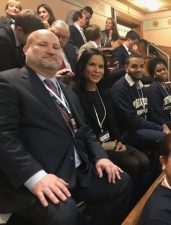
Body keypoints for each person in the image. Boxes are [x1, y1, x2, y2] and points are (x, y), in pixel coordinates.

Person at [0, 29, 131, 225]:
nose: (52, 50)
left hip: (78, 170)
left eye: (56, 47)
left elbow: (84, 130)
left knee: (122, 182)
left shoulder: (66, 90)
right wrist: (36, 177)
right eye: (43, 45)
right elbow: (4, 136)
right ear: (26, 48)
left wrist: (102, 158)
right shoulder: (9, 81)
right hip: (44, 174)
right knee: (65, 216)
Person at [74, 48, 149, 183]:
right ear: (82, 66)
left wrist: (119, 141)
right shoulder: (74, 95)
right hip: (95, 149)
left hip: (112, 142)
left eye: (101, 66)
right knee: (134, 164)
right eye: (92, 65)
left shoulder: (104, 92)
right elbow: (80, 132)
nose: (97, 70)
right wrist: (102, 146)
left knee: (144, 160)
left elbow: (113, 121)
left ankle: (140, 201)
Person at [111, 53, 166, 151]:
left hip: (142, 126)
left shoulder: (140, 85)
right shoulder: (119, 88)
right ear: (126, 67)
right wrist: (159, 128)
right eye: (134, 66)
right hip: (128, 131)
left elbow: (150, 111)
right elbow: (132, 120)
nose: (139, 69)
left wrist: (162, 125)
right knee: (165, 138)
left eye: (141, 66)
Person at [146, 57, 171, 131]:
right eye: (158, 71)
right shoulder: (153, 88)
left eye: (164, 69)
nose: (162, 72)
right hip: (162, 121)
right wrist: (164, 124)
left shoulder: (167, 86)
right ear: (154, 74)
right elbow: (156, 112)